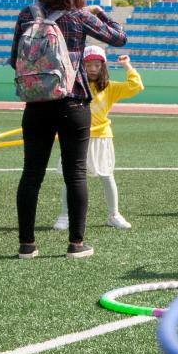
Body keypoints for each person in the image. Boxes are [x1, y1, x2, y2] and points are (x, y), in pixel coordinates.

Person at [11, 0, 127, 260]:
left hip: (36, 104)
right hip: (72, 102)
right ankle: (76, 244)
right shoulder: (79, 16)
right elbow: (119, 37)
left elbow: (15, 59)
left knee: (31, 173)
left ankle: (27, 245)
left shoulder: (27, 14)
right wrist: (101, 12)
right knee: (75, 174)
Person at [50, 46, 143, 231]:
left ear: (103, 67)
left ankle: (114, 215)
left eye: (96, 65)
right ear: (81, 66)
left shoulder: (109, 87)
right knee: (72, 178)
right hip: (76, 137)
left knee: (107, 176)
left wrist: (127, 66)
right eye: (88, 64)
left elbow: (136, 86)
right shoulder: (72, 85)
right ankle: (65, 215)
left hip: (101, 137)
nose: (92, 68)